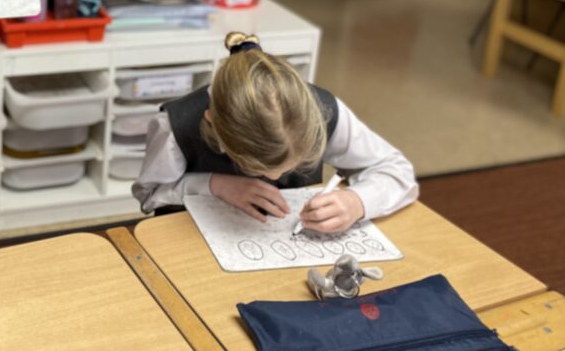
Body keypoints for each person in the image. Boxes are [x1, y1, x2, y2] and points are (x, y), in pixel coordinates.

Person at [133, 32, 418, 233]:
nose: (273, 179)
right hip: (191, 245)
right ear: (213, 124)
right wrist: (213, 185)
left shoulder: (324, 111)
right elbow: (149, 195)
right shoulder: (175, 125)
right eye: (254, 167)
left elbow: (398, 171)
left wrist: (357, 202)